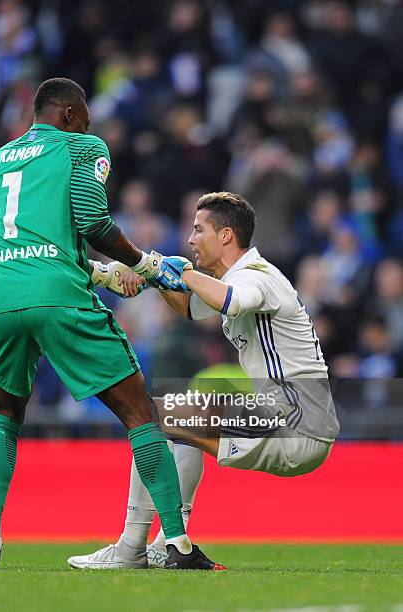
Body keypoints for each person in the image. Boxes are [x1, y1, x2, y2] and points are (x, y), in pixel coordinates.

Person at [0, 77, 224, 571]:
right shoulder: (83, 145)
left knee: (5, 416)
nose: (90, 124)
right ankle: (177, 544)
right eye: (85, 114)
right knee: (141, 414)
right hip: (59, 299)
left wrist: (106, 272)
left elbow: (35, 243)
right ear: (67, 114)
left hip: (1, 298)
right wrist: (147, 264)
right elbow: (92, 222)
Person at [68, 191, 339, 569]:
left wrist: (174, 270)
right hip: (293, 417)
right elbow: (189, 306)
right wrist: (153, 276)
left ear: (226, 235)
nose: (191, 238)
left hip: (296, 419)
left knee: (154, 417)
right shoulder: (235, 277)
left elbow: (233, 302)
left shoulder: (256, 275)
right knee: (178, 420)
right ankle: (166, 543)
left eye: (198, 230)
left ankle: (132, 547)